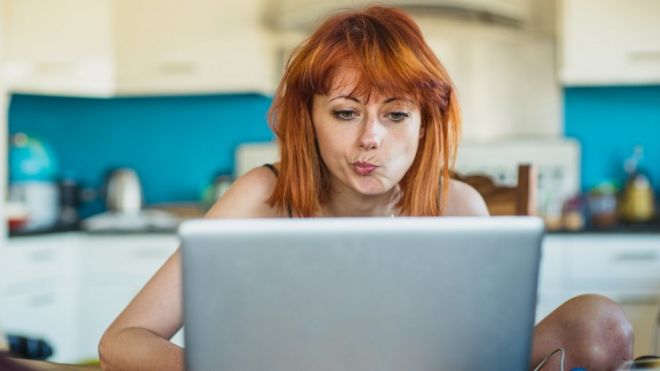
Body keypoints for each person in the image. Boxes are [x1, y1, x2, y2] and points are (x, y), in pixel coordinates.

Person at [98, 5, 633, 371]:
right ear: (308, 119)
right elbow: (122, 341)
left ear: (427, 122)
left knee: (601, 323)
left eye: (396, 114)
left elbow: (488, 351)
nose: (370, 139)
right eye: (346, 113)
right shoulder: (261, 197)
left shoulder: (459, 207)